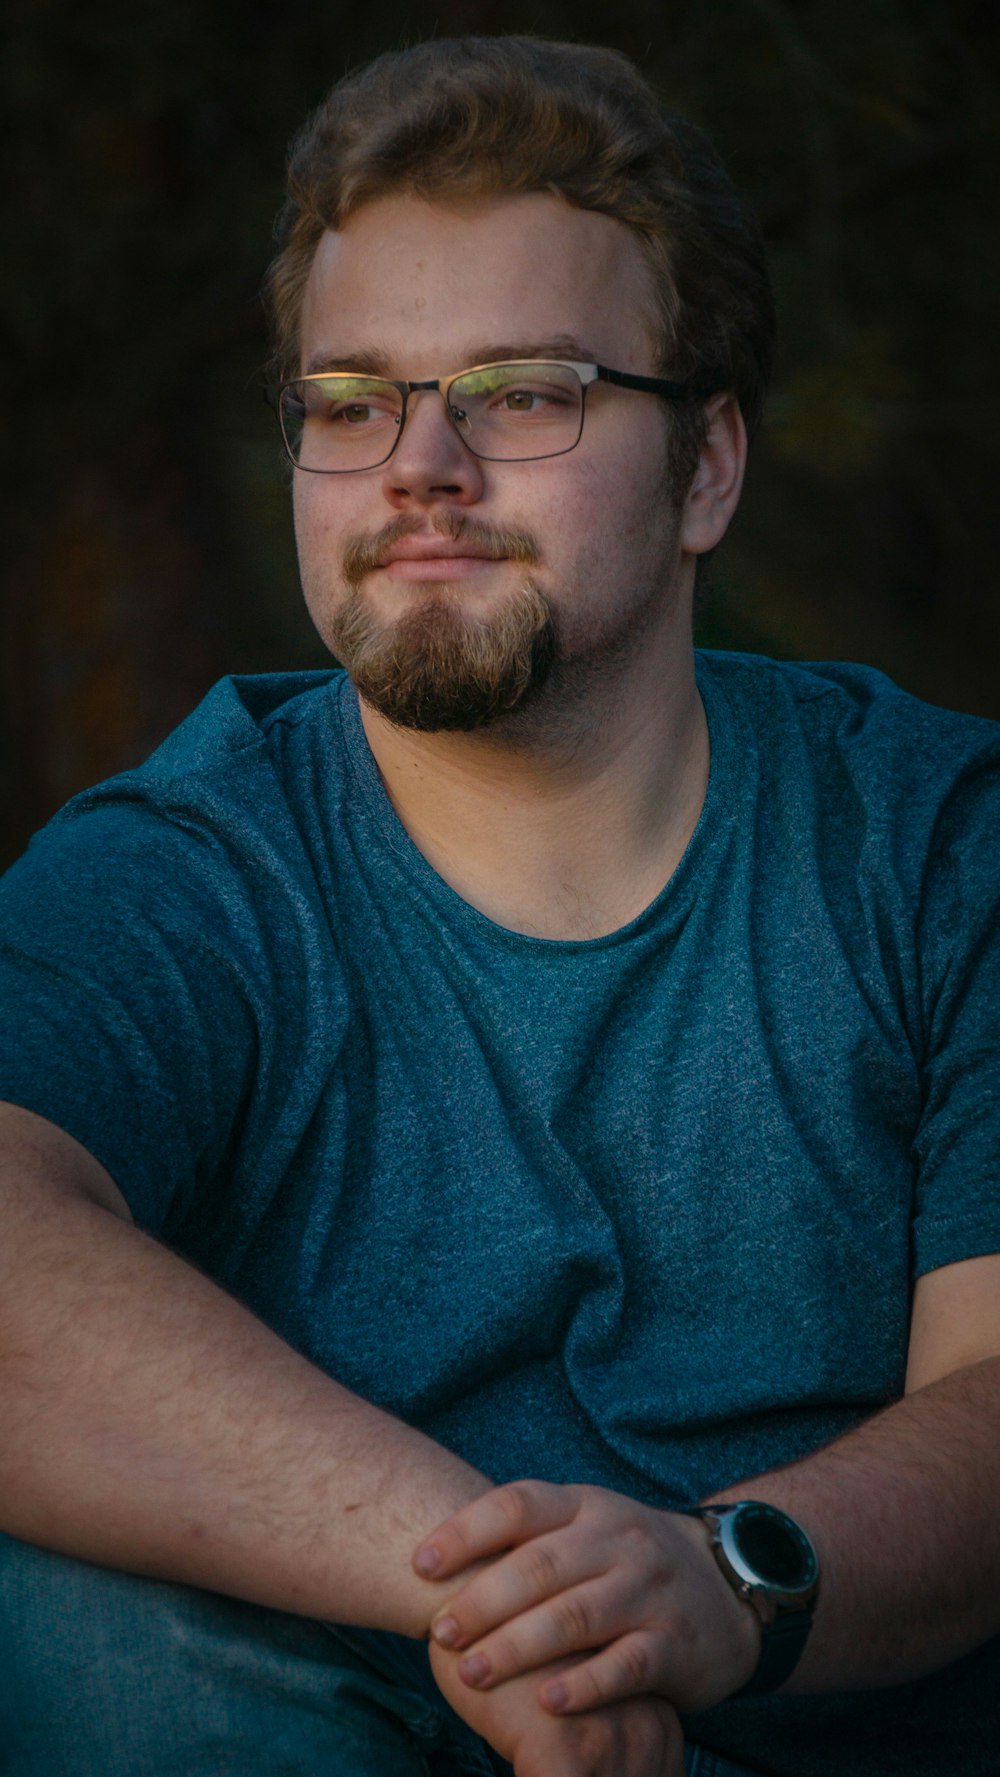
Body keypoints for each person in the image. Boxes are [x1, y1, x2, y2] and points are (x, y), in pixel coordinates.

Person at [1, 32, 999, 1777]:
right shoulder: (185, 867)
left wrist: (717, 1584)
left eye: (526, 391)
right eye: (350, 400)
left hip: (830, 1717)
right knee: (64, 1605)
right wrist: (528, 1614)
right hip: (344, 1714)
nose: (419, 468)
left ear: (707, 468)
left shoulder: (934, 840)